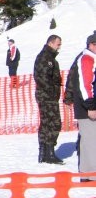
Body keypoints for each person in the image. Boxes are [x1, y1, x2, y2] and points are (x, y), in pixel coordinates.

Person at [67, 31, 96, 180]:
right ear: (92, 45)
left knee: (88, 140)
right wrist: (91, 107)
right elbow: (85, 86)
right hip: (87, 108)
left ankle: (86, 173)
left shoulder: (90, 58)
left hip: (87, 106)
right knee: (92, 140)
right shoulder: (87, 60)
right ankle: (91, 175)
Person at [33, 34, 64, 164]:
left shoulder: (48, 57)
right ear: (51, 43)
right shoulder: (46, 58)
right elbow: (42, 78)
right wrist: (52, 92)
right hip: (47, 96)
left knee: (46, 123)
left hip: (47, 95)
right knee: (54, 123)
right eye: (58, 44)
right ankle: (48, 153)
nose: (59, 46)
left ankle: (45, 153)